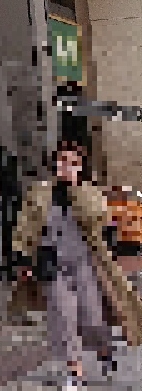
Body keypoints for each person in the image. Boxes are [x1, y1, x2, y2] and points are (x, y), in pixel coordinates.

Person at [14, 131, 142, 384]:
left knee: (93, 318)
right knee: (63, 316)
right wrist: (24, 260)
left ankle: (105, 351)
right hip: (52, 263)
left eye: (73, 162)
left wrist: (73, 189)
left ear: (81, 166)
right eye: (63, 161)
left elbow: (98, 219)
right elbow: (25, 227)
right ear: (55, 163)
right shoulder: (39, 192)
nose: (67, 166)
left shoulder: (90, 193)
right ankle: (75, 372)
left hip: (85, 262)